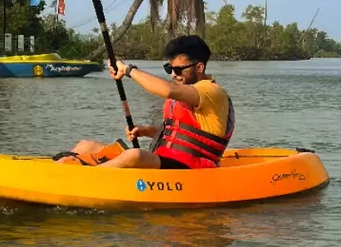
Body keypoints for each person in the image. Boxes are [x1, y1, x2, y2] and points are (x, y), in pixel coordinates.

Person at [57, 35, 234, 170]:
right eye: (169, 68)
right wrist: (147, 131)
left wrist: (128, 70)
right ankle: (62, 168)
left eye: (179, 69)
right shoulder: (186, 92)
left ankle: (83, 178)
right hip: (164, 159)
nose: (173, 74)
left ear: (199, 67)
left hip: (192, 168)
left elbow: (168, 90)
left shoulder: (211, 91)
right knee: (86, 145)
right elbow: (181, 136)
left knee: (134, 155)